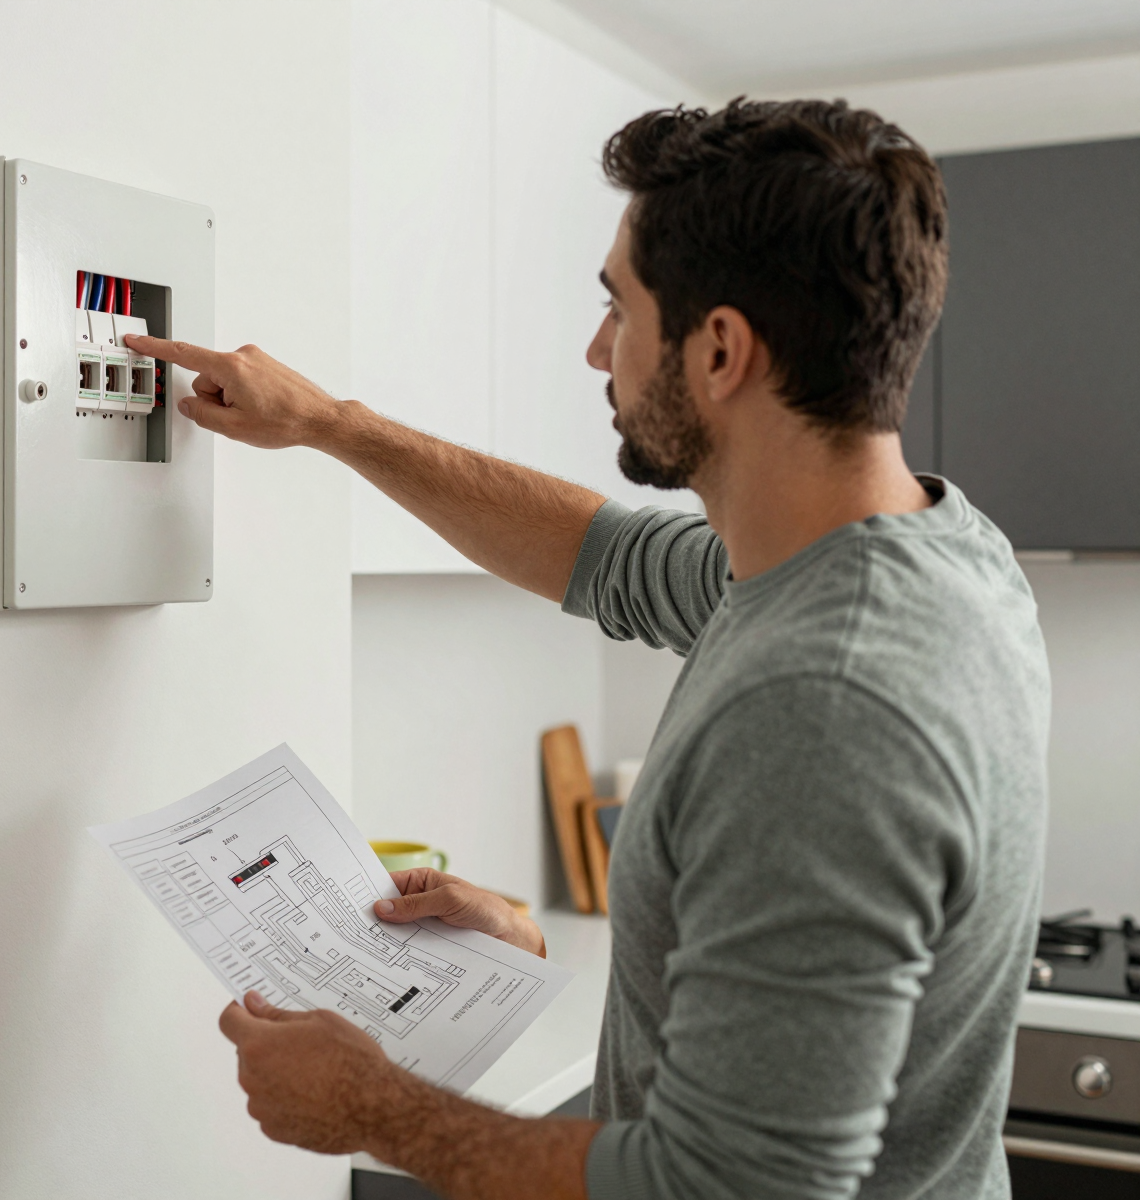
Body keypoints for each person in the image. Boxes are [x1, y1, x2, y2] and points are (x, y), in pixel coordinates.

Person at [127, 99, 1049, 1200]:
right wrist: (332, 423)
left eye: (619, 307)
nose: (596, 349)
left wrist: (369, 1104)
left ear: (718, 351)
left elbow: (726, 1191)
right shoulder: (924, 550)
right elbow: (595, 553)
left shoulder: (823, 704)